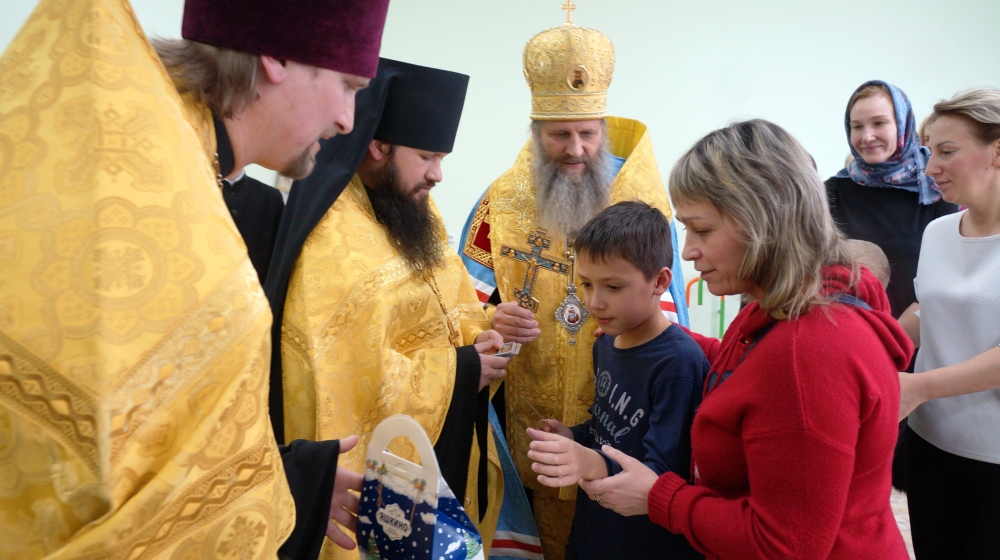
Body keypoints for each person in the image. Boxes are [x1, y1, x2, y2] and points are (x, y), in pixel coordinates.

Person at [0, 0, 389, 558]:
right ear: (275, 57)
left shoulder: (172, 157)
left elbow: (145, 438)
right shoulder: (159, 207)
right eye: (348, 86)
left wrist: (291, 481)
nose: (349, 119)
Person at [578, 120, 913, 559]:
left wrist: (661, 498)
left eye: (702, 230)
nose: (688, 251)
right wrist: (656, 335)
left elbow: (782, 545)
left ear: (763, 220)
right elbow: (746, 370)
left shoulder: (808, 353)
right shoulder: (785, 305)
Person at [458, 13, 689, 556]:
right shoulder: (500, 204)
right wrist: (492, 320)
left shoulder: (643, 206)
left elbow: (668, 322)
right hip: (526, 420)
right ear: (536, 132)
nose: (577, 148)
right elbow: (461, 305)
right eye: (560, 134)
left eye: (588, 133)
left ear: (603, 129)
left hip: (617, 424)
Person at [265, 58, 511, 558]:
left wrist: (483, 333)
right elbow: (342, 374)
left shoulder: (411, 205)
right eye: (427, 157)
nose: (437, 174)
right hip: (374, 481)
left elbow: (449, 305)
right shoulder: (330, 240)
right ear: (378, 146)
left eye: (442, 158)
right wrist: (463, 368)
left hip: (440, 452)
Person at [526, 201, 707, 560]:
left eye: (612, 286)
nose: (594, 302)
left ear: (660, 282)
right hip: (594, 530)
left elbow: (663, 475)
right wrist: (574, 436)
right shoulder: (606, 344)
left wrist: (587, 462)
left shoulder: (678, 364)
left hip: (643, 543)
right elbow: (611, 429)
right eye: (586, 284)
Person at [897, 88, 1000, 560]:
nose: (930, 168)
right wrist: (874, 342)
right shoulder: (938, 232)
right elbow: (928, 309)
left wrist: (919, 387)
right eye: (929, 153)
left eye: (946, 151)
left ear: (996, 151)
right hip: (930, 443)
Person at [826, 80, 958, 319]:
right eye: (857, 126)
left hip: (923, 333)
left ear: (903, 125)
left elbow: (948, 278)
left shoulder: (935, 186)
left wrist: (896, 334)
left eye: (879, 123)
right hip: (852, 333)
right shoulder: (831, 193)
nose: (867, 136)